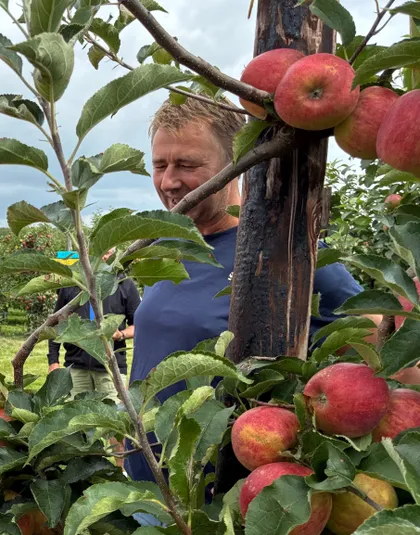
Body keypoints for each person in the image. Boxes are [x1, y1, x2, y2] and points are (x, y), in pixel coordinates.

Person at [124, 97, 373, 500]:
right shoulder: (166, 243)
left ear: (237, 162)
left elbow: (372, 332)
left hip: (225, 497)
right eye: (159, 165)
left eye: (187, 165)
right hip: (145, 485)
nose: (169, 182)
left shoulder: (284, 250)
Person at [47, 277, 140, 403]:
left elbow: (138, 326)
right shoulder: (73, 284)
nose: (105, 256)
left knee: (112, 415)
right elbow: (55, 323)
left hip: (110, 368)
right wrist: (53, 361)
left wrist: (121, 334)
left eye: (108, 254)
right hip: (76, 365)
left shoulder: (124, 284)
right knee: (75, 414)